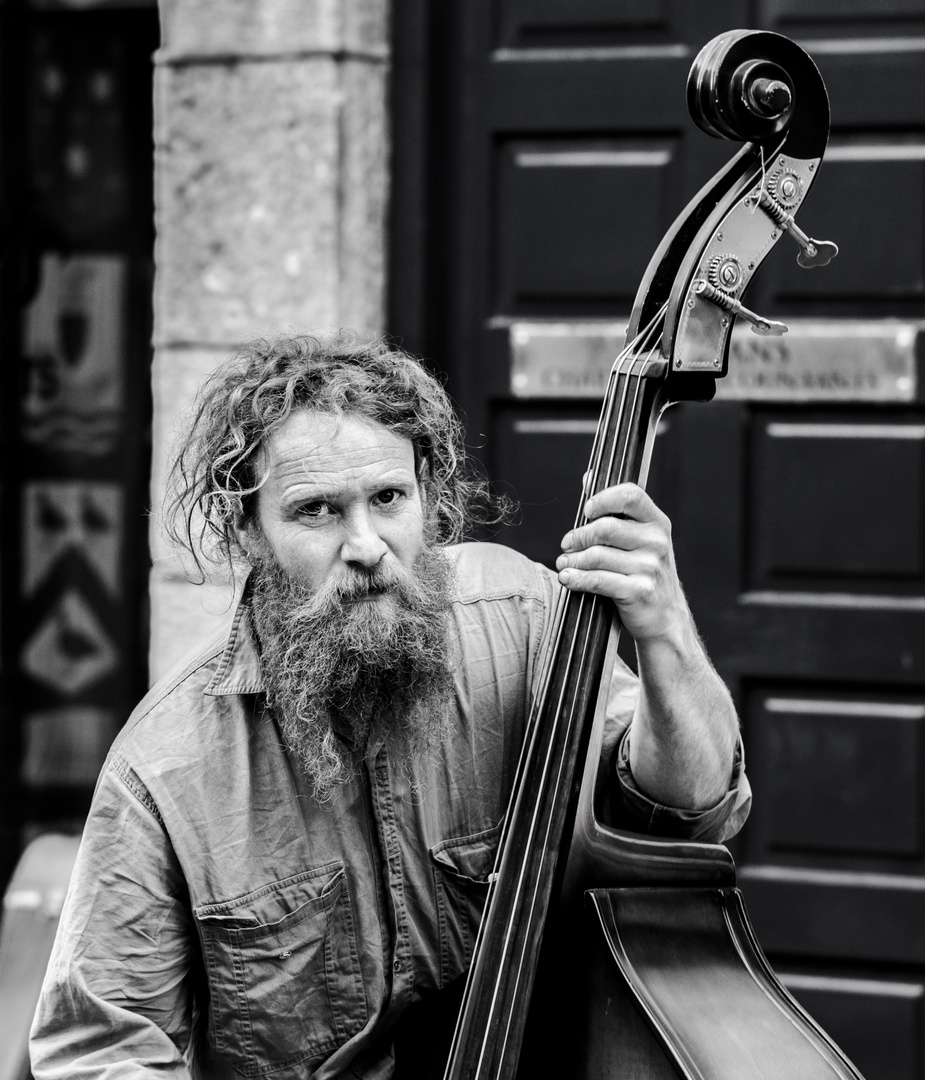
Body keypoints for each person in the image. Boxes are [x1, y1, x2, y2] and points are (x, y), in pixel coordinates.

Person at [30, 331, 749, 1079]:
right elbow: (101, 1049)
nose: (366, 544)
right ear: (247, 529)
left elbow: (694, 810)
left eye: (387, 498)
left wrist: (663, 630)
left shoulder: (528, 617)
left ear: (427, 495)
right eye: (316, 511)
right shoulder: (165, 765)